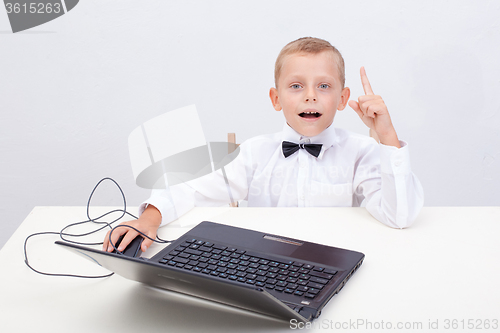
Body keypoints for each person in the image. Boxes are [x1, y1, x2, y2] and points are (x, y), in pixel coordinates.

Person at [103, 37, 424, 253]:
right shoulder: (254, 154)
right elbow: (190, 187)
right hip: (265, 264)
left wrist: (387, 136)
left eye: (323, 86)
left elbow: (400, 216)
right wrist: (149, 219)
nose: (310, 95)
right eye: (296, 86)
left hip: (336, 261)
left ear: (342, 99)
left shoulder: (361, 152)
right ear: (276, 98)